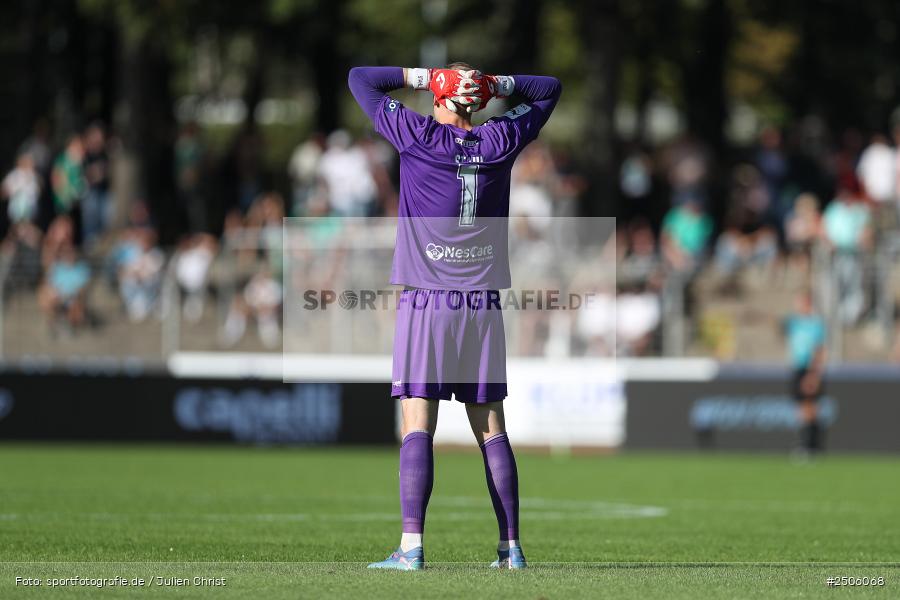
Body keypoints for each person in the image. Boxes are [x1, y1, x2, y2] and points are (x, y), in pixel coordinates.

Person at [349, 63, 561, 570]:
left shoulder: (418, 135)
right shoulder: (500, 140)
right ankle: (511, 549)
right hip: (483, 302)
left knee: (418, 420)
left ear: (440, 98)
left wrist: (422, 76)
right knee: (491, 427)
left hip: (427, 298)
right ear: (479, 101)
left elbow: (361, 78)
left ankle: (411, 548)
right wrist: (499, 85)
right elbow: (549, 89)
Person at [782, 290, 827, 456]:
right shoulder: (794, 323)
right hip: (797, 368)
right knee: (801, 409)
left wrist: (813, 373)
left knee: (809, 408)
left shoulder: (816, 324)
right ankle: (806, 444)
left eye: (802, 302)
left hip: (809, 369)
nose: (799, 305)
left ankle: (810, 446)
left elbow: (819, 350)